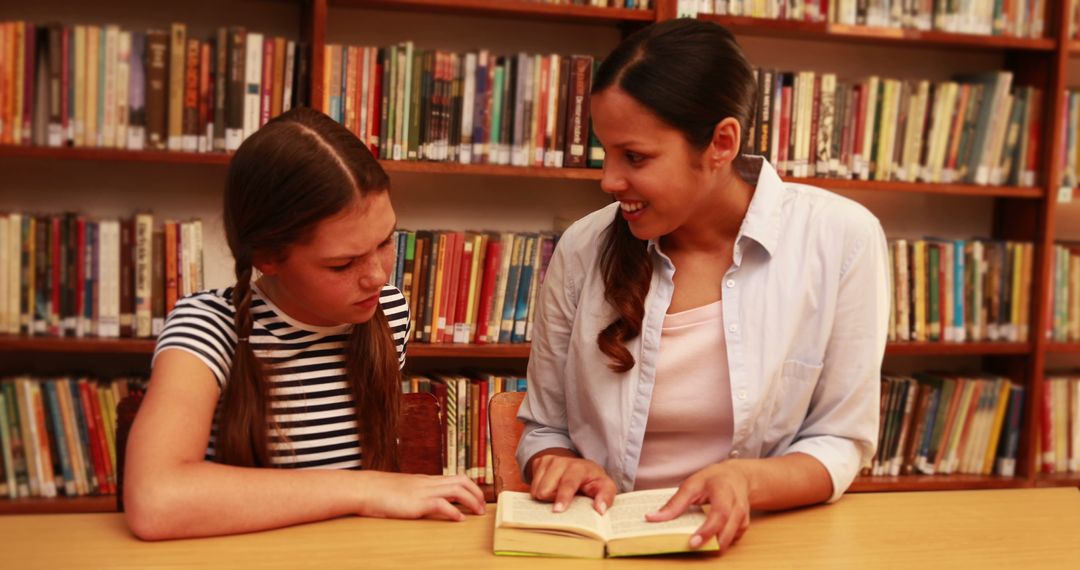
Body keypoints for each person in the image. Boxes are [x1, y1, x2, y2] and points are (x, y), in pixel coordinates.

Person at [517, 18, 889, 554]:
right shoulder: (584, 246)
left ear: (721, 142)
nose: (608, 180)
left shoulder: (842, 240)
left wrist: (745, 481)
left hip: (763, 544)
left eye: (635, 157)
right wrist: (557, 464)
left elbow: (841, 439)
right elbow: (543, 427)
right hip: (605, 545)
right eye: (606, 153)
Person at [124, 107, 485, 540]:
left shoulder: (386, 311)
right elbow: (155, 501)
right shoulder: (207, 327)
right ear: (268, 258)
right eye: (342, 264)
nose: (378, 275)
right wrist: (366, 489)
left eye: (386, 240)